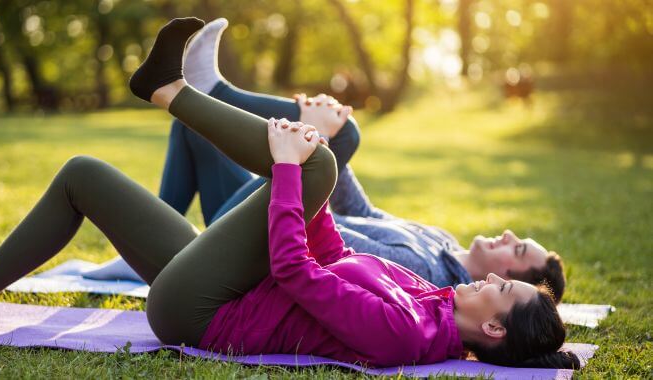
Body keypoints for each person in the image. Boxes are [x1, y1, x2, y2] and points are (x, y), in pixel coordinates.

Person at [0, 17, 579, 369]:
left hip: (200, 313)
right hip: (226, 286)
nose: (490, 279)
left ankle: (171, 90)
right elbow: (327, 254)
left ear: (492, 325)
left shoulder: (405, 332)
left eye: (503, 286)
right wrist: (301, 180)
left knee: (317, 167)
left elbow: (296, 272)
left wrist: (295, 173)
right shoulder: (433, 302)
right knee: (83, 174)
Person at [84, 18, 567, 303]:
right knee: (190, 126)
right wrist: (327, 143)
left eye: (517, 249)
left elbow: (327, 240)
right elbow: (364, 213)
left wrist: (323, 141)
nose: (508, 235)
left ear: (501, 281)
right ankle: (137, 252)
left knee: (347, 133)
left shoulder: (433, 275)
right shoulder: (441, 243)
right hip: (253, 221)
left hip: (253, 235)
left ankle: (212, 89)